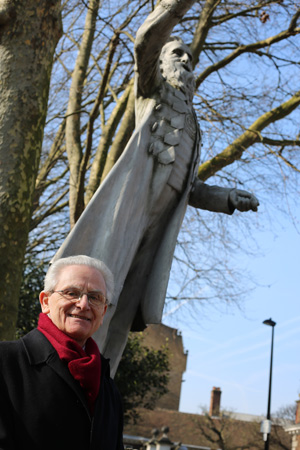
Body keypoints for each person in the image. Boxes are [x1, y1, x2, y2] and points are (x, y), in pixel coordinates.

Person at [53, 0, 259, 375]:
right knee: (102, 291)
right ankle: (73, 372)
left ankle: (103, 380)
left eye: (190, 59)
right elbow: (145, 41)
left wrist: (227, 197)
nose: (185, 61)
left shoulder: (195, 127)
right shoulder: (150, 91)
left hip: (158, 227)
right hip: (127, 212)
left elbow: (190, 187)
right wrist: (176, 9)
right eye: (177, 54)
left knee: (126, 304)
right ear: (162, 62)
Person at [0, 255, 124, 450]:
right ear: (46, 301)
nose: (84, 304)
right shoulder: (6, 362)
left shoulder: (107, 386)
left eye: (94, 297)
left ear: (104, 312)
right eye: (72, 293)